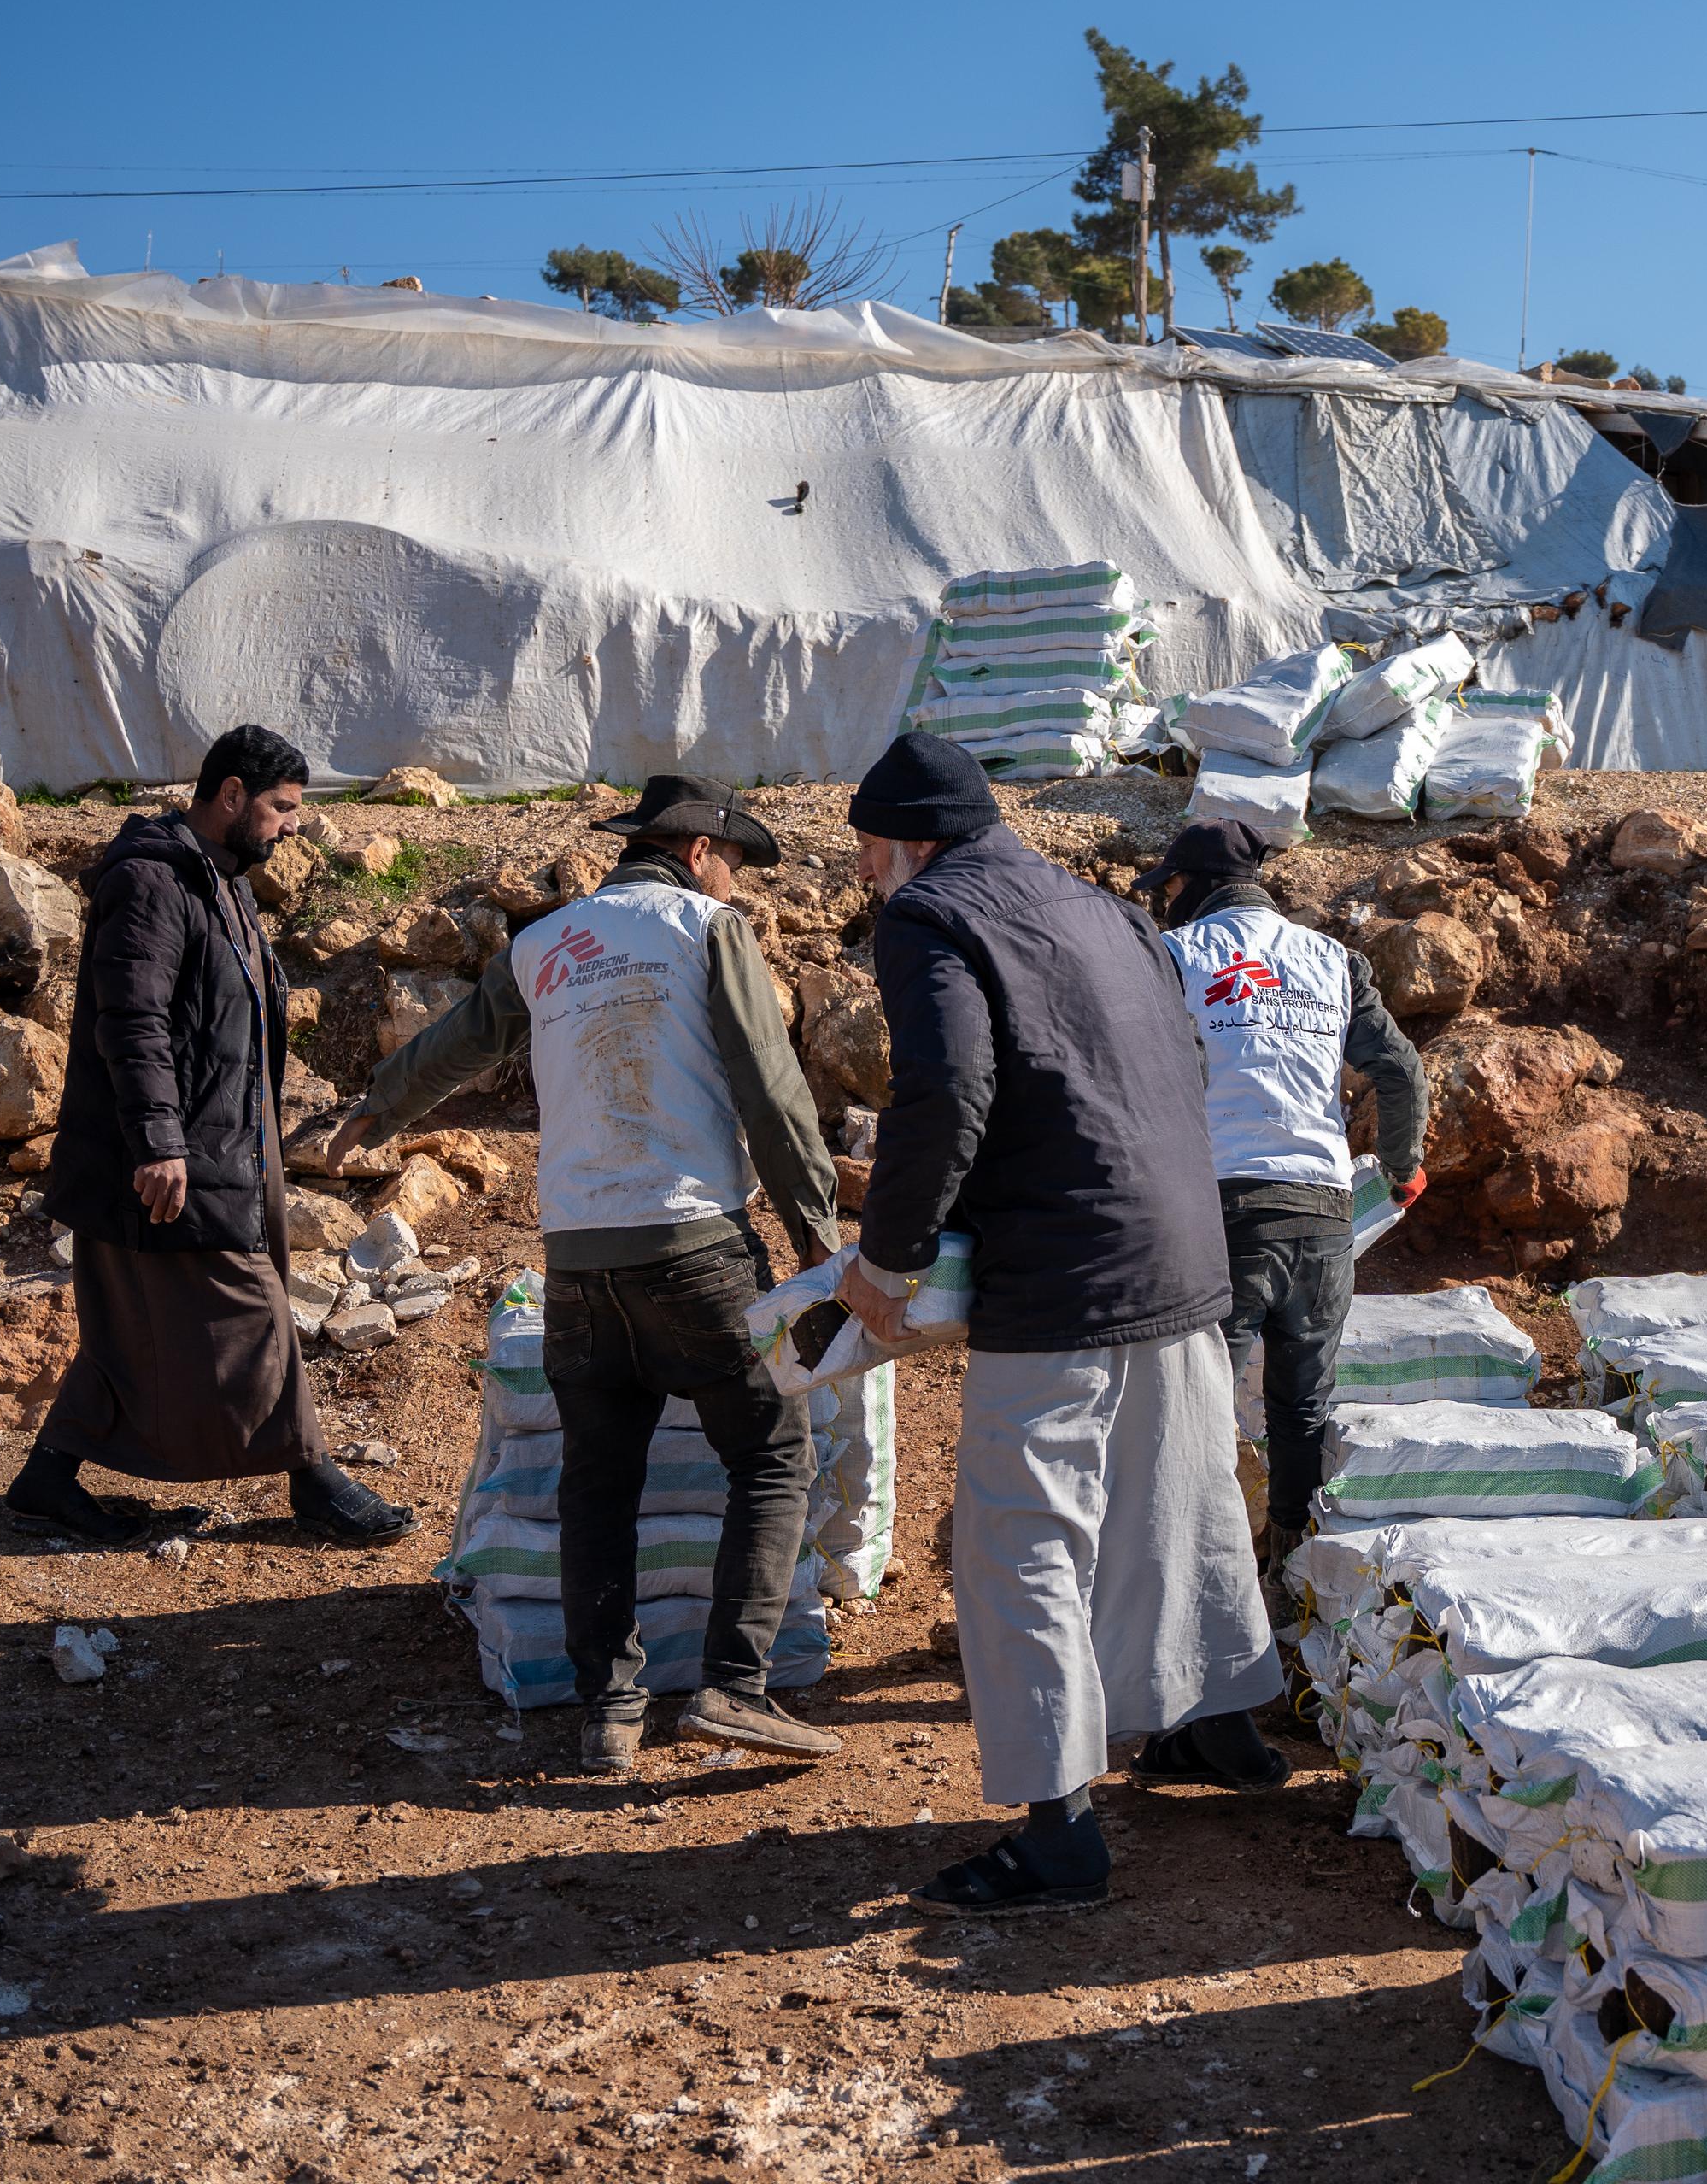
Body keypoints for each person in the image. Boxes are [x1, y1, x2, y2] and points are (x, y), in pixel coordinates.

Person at [833, 734, 1285, 1917]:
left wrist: (892, 1257)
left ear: (908, 843)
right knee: (1179, 1503)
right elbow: (1181, 1063)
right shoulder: (1107, 911)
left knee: (1021, 1540)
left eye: (874, 855)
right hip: (1181, 1253)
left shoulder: (931, 916)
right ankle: (1222, 1734)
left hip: (1062, 1277)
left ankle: (1059, 1835)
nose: (875, 876)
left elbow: (947, 1092)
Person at [333, 776, 845, 1776]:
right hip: (697, 1247)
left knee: (598, 1487)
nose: (735, 882)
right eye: (733, 862)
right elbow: (771, 1094)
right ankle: (735, 1688)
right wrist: (819, 1238)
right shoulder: (705, 927)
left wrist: (379, 1109)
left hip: (575, 1262)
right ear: (699, 850)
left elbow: (454, 1048)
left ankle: (608, 1710)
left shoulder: (544, 945)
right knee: (773, 1453)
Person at [18, 725, 410, 1550]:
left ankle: (47, 1479)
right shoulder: (154, 884)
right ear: (230, 795)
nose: (292, 825)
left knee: (134, 1328)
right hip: (170, 1155)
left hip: (227, 1146)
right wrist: (159, 1141)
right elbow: (133, 1022)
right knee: (257, 1312)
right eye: (281, 807)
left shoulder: (219, 880)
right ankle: (313, 1478)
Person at [1136, 819, 1427, 1578]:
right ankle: (1287, 1580)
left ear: (1192, 885)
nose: (1162, 901)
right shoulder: (1333, 959)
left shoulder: (1171, 956)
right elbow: (1398, 1073)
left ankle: (1189, 1591)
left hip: (1220, 1212)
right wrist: (1400, 1167)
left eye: (1166, 886)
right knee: (1301, 1412)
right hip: (1323, 1214)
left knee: (1192, 1412)